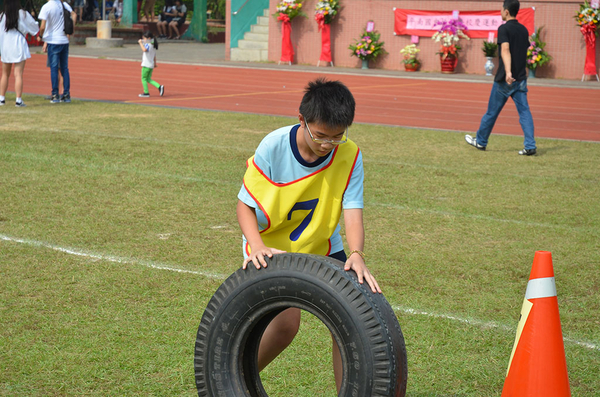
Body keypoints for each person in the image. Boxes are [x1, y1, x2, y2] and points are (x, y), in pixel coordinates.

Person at [236, 78, 381, 393]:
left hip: (323, 246)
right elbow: (244, 206)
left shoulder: (351, 155)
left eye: (337, 137)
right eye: (320, 135)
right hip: (273, 246)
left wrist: (357, 253)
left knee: (351, 320)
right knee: (286, 325)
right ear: (301, 120)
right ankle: (231, 377)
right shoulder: (274, 146)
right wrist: (257, 247)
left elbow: (352, 212)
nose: (327, 144)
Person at [465, 0, 536, 156]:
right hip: (521, 79)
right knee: (524, 112)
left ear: (507, 11)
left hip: (505, 80)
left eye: (501, 9)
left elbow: (505, 49)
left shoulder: (504, 29)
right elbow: (523, 52)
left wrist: (508, 72)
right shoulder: (524, 30)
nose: (500, 12)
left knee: (491, 112)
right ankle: (530, 145)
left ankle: (481, 141)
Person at [0, 0, 39, 107]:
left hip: (6, 46)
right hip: (18, 44)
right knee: (18, 74)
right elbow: (34, 28)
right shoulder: (23, 14)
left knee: (5, 74)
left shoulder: (3, 15)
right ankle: (18, 100)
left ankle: (1, 98)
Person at [38, 0, 76, 103]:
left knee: (54, 68)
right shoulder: (63, 4)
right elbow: (73, 14)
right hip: (64, 40)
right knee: (64, 68)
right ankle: (66, 94)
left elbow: (42, 26)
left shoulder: (46, 7)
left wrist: (41, 36)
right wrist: (71, 29)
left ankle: (55, 94)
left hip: (53, 41)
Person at [138, 31, 164, 97]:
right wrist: (155, 63)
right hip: (151, 65)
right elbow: (154, 55)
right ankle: (159, 86)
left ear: (149, 38)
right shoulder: (153, 45)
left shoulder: (148, 45)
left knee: (143, 78)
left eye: (144, 38)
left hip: (146, 65)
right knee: (148, 79)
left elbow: (144, 50)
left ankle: (146, 92)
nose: (143, 40)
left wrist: (140, 43)